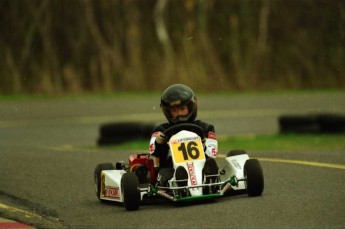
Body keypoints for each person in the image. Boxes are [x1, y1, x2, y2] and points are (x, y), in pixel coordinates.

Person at [149, 84, 219, 187]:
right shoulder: (161, 131)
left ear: (191, 107)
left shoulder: (205, 128)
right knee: (164, 174)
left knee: (210, 164)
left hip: (200, 166)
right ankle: (179, 181)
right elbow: (153, 154)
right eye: (174, 110)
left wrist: (204, 148)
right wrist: (159, 143)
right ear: (168, 112)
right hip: (171, 168)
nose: (179, 114)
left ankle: (208, 178)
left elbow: (213, 153)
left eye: (182, 108)